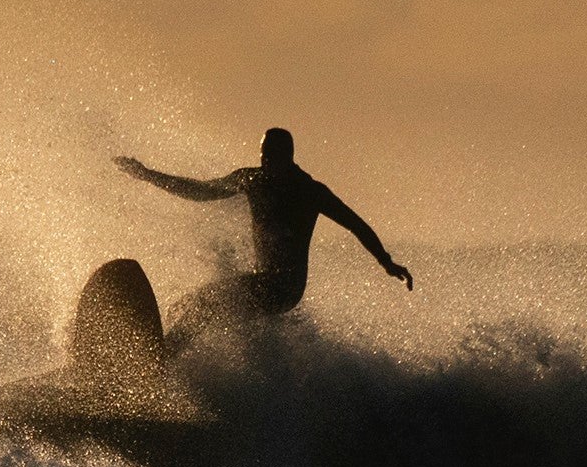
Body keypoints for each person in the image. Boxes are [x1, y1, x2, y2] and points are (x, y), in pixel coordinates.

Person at [114, 127, 411, 333]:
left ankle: (161, 360)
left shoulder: (310, 192)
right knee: (189, 305)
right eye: (263, 155)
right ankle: (176, 362)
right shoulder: (251, 180)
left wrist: (386, 262)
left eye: (272, 157)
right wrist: (147, 174)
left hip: (285, 289)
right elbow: (201, 191)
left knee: (210, 301)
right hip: (260, 281)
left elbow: (356, 225)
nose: (265, 162)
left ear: (288, 157)